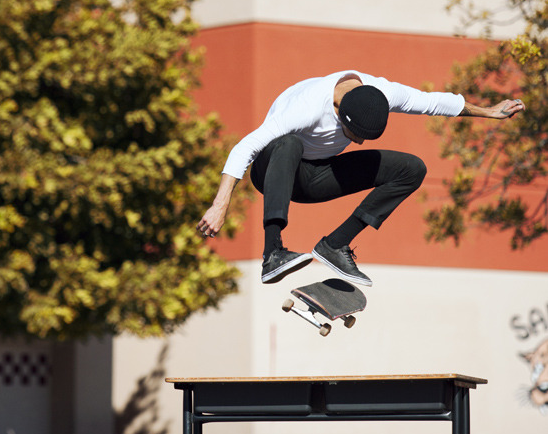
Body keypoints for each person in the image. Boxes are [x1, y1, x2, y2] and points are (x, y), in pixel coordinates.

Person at [197, 69, 525, 287]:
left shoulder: (379, 91)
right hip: (276, 172)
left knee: (412, 168)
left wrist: (489, 112)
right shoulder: (306, 106)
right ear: (338, 111)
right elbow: (246, 147)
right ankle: (273, 253)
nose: (357, 143)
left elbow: (432, 102)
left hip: (319, 175)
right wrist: (220, 205)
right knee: (288, 142)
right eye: (353, 134)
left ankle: (335, 245)